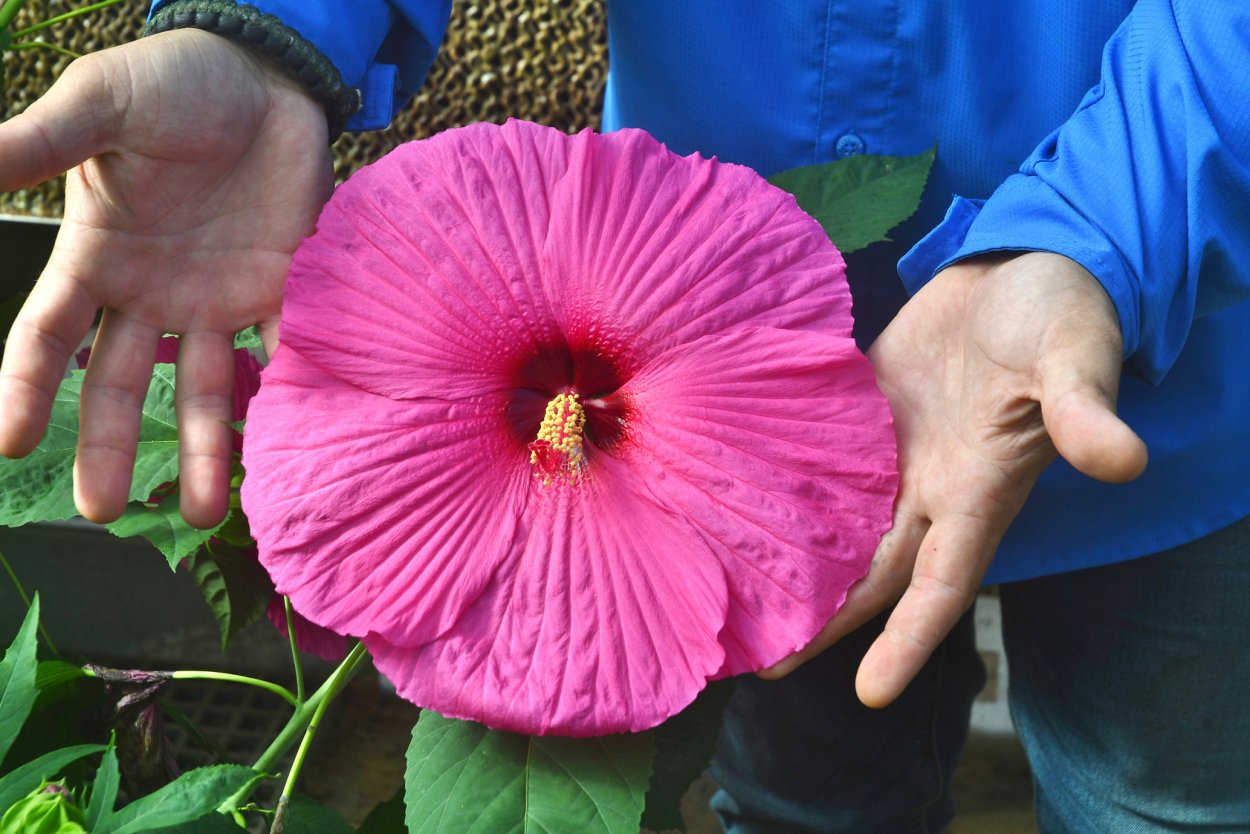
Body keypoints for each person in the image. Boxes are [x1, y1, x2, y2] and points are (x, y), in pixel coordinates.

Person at [1, 1, 1247, 830]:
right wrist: (274, 23)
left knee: (1167, 807)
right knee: (804, 807)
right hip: (677, 350)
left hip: (1173, 333)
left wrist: (1100, 228)